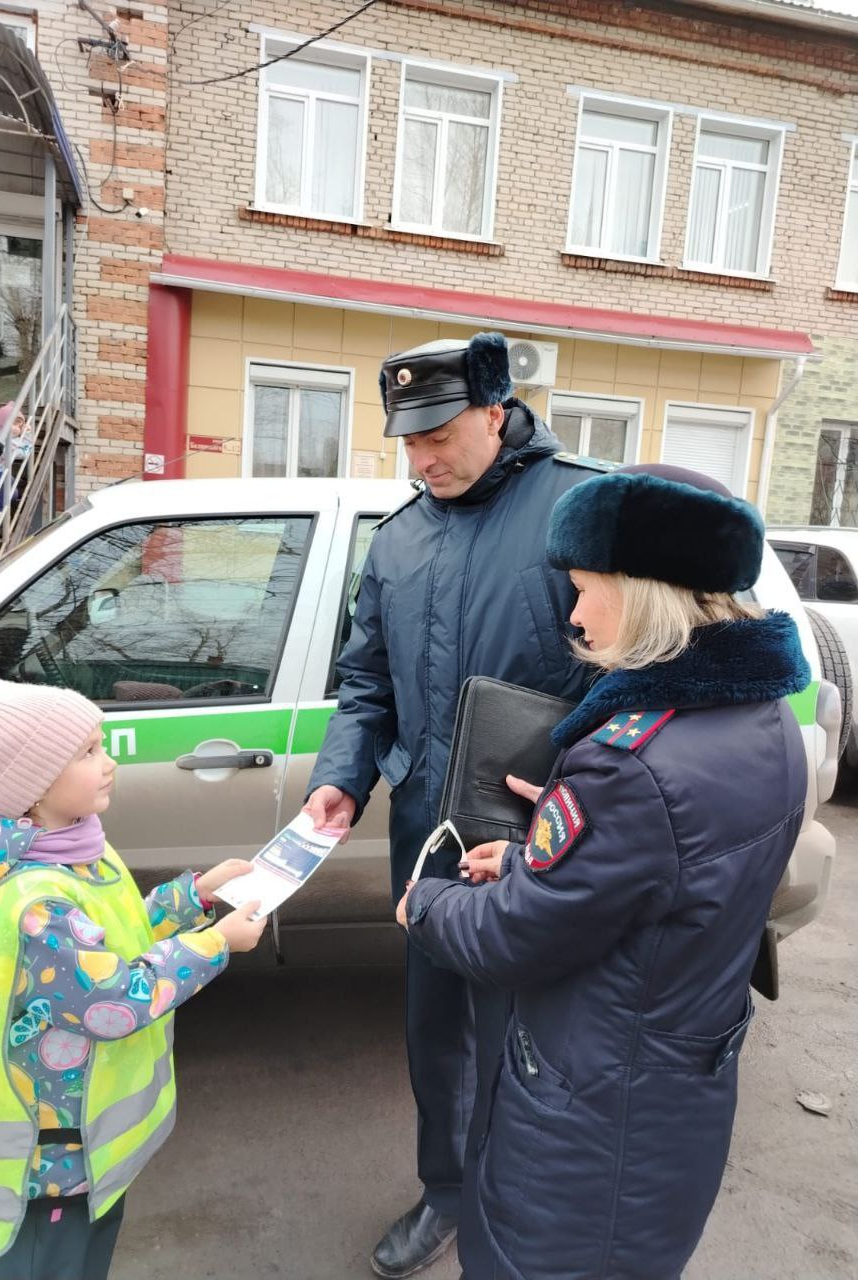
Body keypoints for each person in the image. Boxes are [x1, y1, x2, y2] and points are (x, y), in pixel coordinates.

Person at [397, 464, 811, 1280]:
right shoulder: (764, 718)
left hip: (590, 1120)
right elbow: (663, 881)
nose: (577, 616)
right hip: (673, 1092)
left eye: (590, 588)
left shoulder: (632, 763)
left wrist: (429, 903)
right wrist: (532, 855)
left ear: (652, 592)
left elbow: (518, 936)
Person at [303, 333, 608, 1278]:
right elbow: (364, 683)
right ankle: (448, 1192)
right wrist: (343, 777)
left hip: (549, 836)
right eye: (406, 440)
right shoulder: (399, 538)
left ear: (493, 407)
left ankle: (536, 1200)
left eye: (438, 432)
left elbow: (639, 676)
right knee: (438, 1029)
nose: (423, 457)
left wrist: (588, 799)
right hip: (428, 834)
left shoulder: (582, 512)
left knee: (542, 1033)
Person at [0, 675, 268, 1279]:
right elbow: (109, 998)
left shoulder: (69, 847)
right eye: (87, 752)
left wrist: (196, 895)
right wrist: (215, 943)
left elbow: (120, 934)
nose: (108, 763)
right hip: (45, 1157)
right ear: (33, 786)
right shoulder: (35, 900)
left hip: (78, 1145)